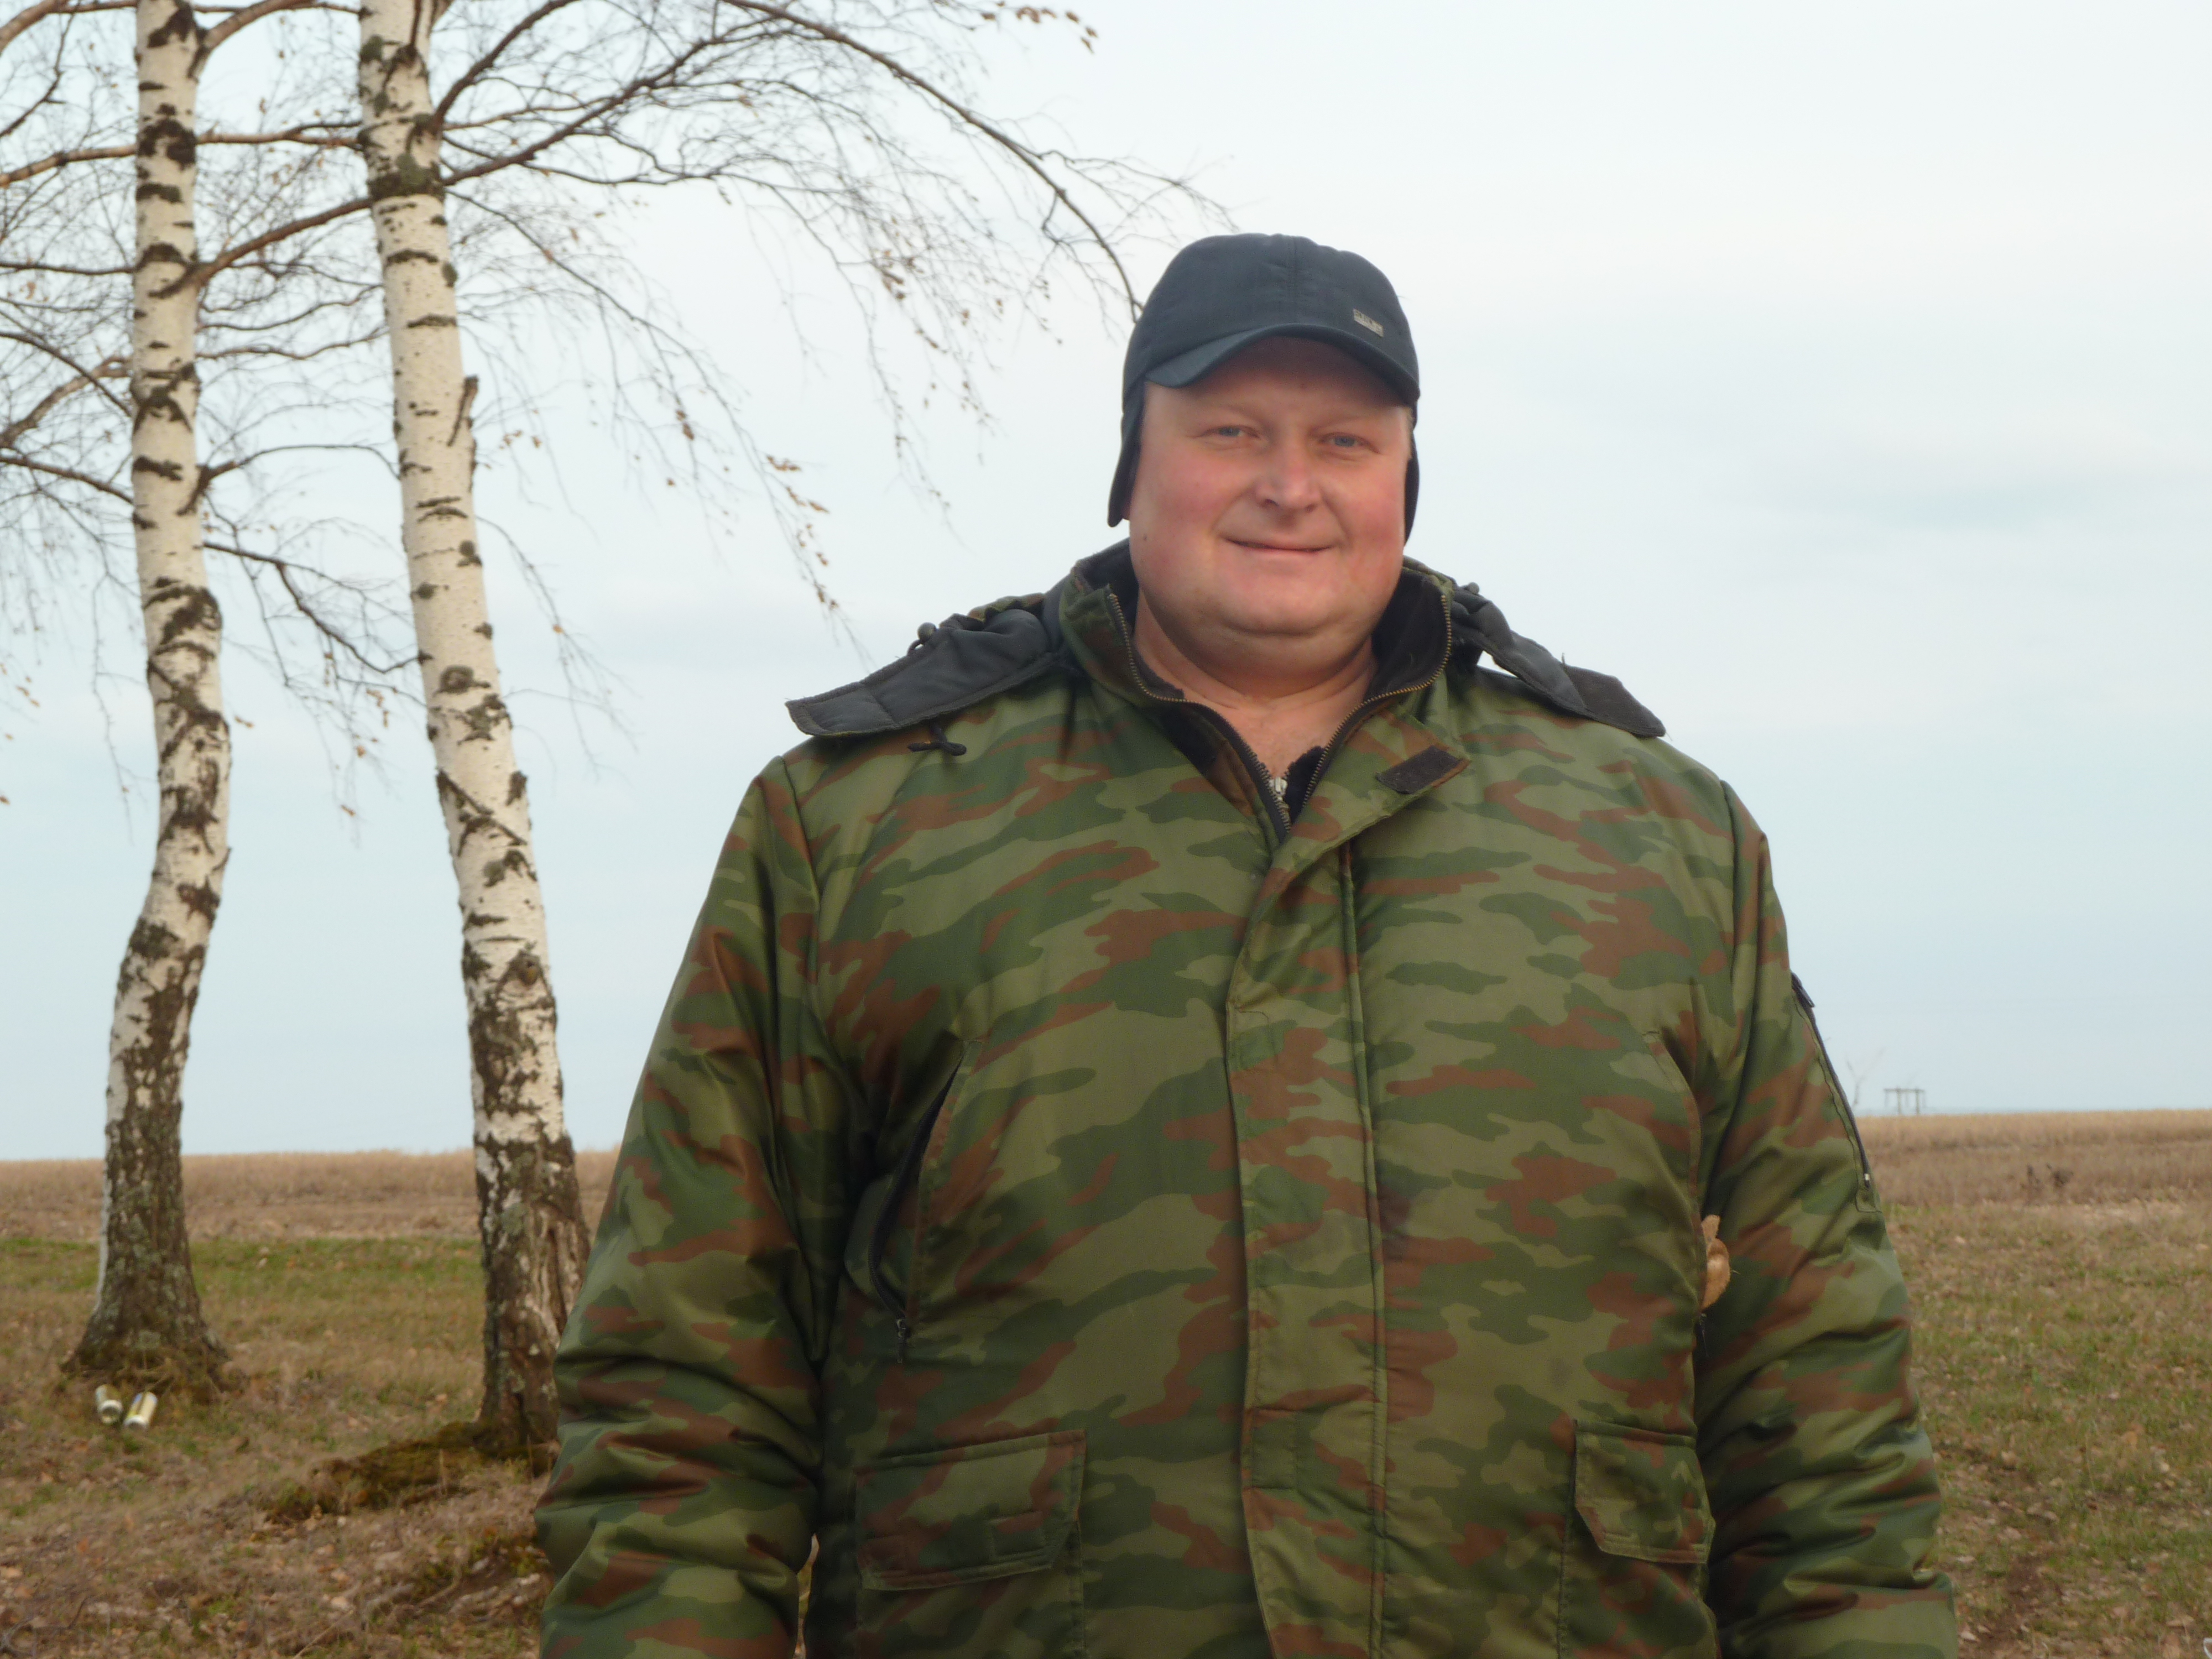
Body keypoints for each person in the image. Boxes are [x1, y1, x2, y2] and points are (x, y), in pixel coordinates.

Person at [536, 233, 1955, 1659]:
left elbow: (1815, 1366)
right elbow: (684, 1381)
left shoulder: (1654, 833)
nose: (1291, 484)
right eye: (1230, 432)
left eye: (1347, 439)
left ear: (1405, 476)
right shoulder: (863, 827)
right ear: (1131, 464)